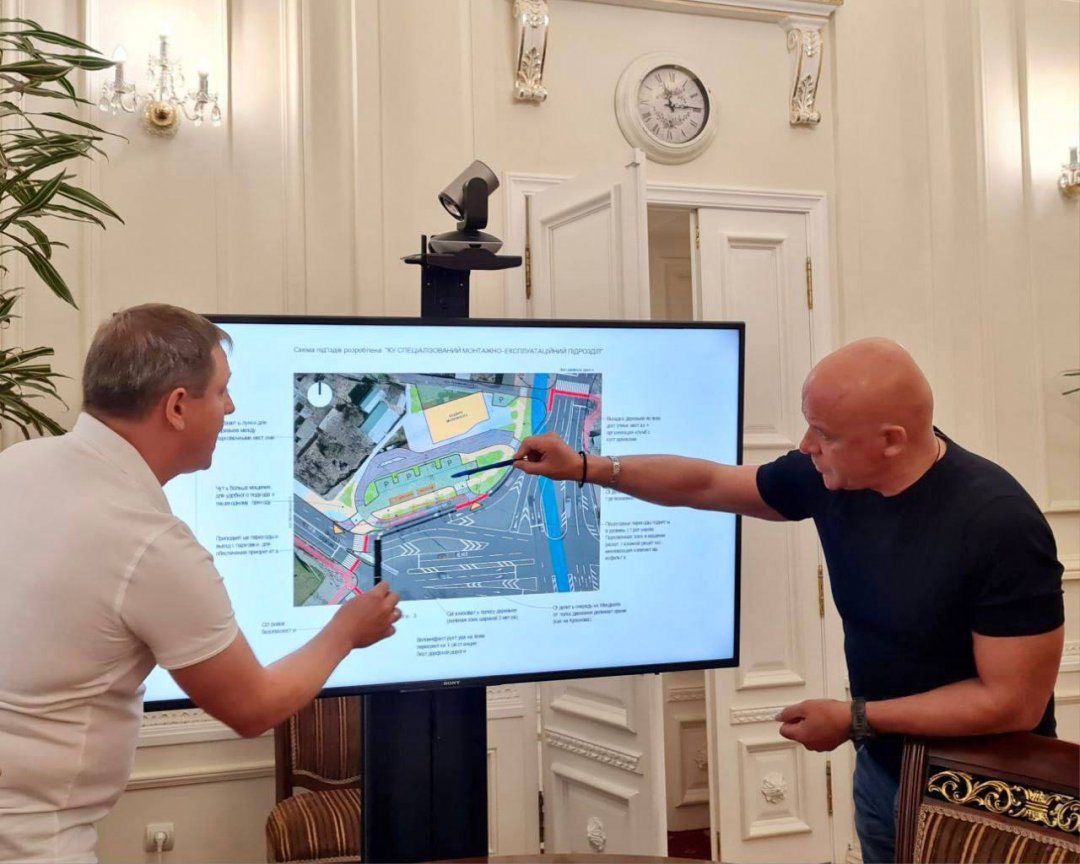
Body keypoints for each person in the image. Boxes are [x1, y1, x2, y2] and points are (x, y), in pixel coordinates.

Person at [513, 337, 1064, 864]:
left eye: (822, 433)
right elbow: (707, 483)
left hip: (985, 793)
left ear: (891, 440)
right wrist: (585, 467)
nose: (805, 446)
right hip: (885, 773)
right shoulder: (829, 475)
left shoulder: (997, 522)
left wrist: (856, 718)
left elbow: (1011, 701)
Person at [0, 304, 401, 864]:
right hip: (34, 842)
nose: (230, 407)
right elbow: (252, 708)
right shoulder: (148, 542)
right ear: (177, 407)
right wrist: (345, 632)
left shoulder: (18, 463)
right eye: (221, 392)